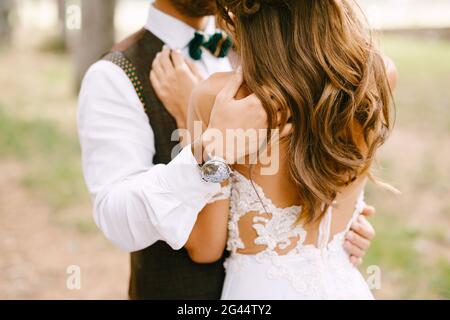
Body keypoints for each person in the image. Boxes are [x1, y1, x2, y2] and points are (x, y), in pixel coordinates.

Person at [78, 0, 377, 300]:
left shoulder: (268, 43)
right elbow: (115, 216)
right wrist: (203, 147)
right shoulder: (114, 74)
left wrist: (335, 223)